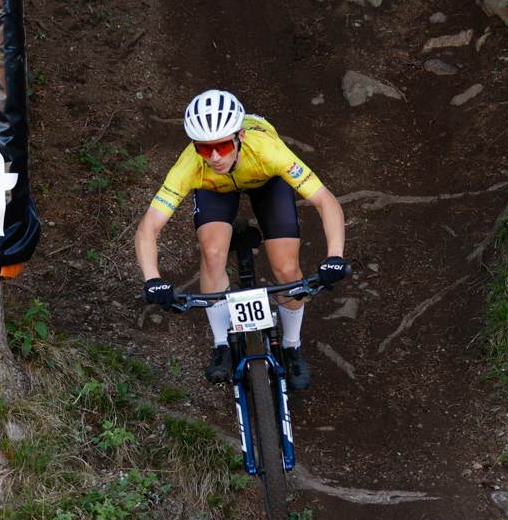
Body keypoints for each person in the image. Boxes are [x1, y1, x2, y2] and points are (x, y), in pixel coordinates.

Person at [134, 90, 349, 390]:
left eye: (222, 146)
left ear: (240, 137)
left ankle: (292, 345)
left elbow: (325, 200)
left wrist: (335, 256)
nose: (215, 157)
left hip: (266, 181)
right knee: (212, 253)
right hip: (215, 189)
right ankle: (222, 344)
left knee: (287, 269)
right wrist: (152, 279)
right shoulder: (191, 164)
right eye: (204, 148)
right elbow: (148, 228)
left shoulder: (268, 151)